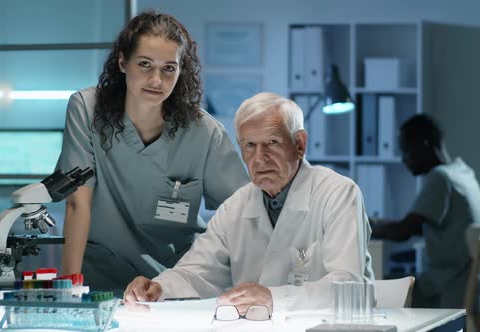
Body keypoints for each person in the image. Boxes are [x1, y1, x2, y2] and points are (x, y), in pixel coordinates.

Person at [123, 92, 374, 316]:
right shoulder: (236, 207)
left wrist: (273, 298)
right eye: (250, 145)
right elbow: (197, 271)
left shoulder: (339, 194)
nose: (259, 158)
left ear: (299, 145)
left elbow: (347, 284)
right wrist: (158, 287)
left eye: (272, 143)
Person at [56, 10, 249, 296]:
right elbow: (77, 204)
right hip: (102, 279)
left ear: (181, 70)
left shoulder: (203, 132)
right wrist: (68, 291)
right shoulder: (86, 109)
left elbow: (243, 211)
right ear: (123, 62)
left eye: (169, 68)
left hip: (175, 283)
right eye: (145, 64)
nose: (156, 80)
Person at [371, 114, 480, 308]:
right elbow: (419, 227)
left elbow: (403, 231)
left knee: (373, 292)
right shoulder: (463, 173)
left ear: (423, 144)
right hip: (469, 288)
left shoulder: (441, 178)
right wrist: (379, 224)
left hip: (446, 289)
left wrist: (359, 225)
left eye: (405, 149)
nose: (403, 159)